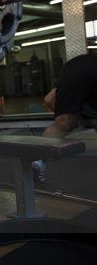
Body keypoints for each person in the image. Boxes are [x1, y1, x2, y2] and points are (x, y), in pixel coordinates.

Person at [32, 54, 97, 182]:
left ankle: (38, 162)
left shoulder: (71, 74)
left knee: (62, 124)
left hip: (70, 68)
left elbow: (48, 99)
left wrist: (64, 116)